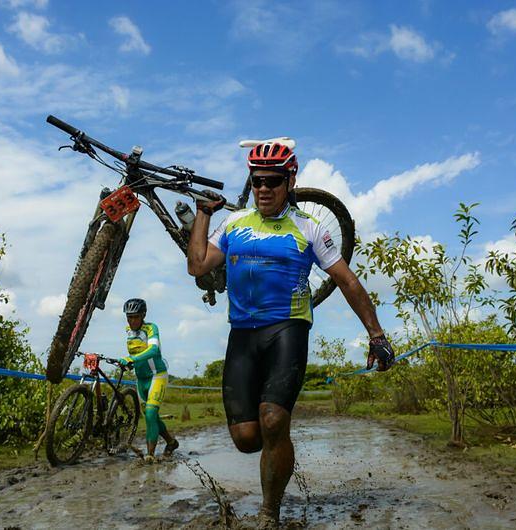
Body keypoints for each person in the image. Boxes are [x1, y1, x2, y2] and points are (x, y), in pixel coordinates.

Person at [187, 140, 394, 527]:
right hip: (243, 336)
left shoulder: (309, 228)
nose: (264, 188)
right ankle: (277, 455)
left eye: (273, 181)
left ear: (290, 180)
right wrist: (202, 215)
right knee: (247, 438)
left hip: (288, 329)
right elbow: (198, 266)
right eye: (258, 181)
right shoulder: (234, 224)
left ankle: (270, 511)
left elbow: (347, 281)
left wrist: (376, 334)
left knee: (273, 421)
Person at [121, 297, 179, 463]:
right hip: (141, 379)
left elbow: (153, 351)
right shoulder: (128, 331)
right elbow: (134, 353)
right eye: (129, 317)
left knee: (151, 413)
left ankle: (150, 455)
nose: (132, 321)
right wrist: (128, 362)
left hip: (157, 376)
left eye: (135, 317)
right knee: (150, 415)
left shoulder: (151, 328)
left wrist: (133, 359)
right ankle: (171, 442)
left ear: (143, 314)